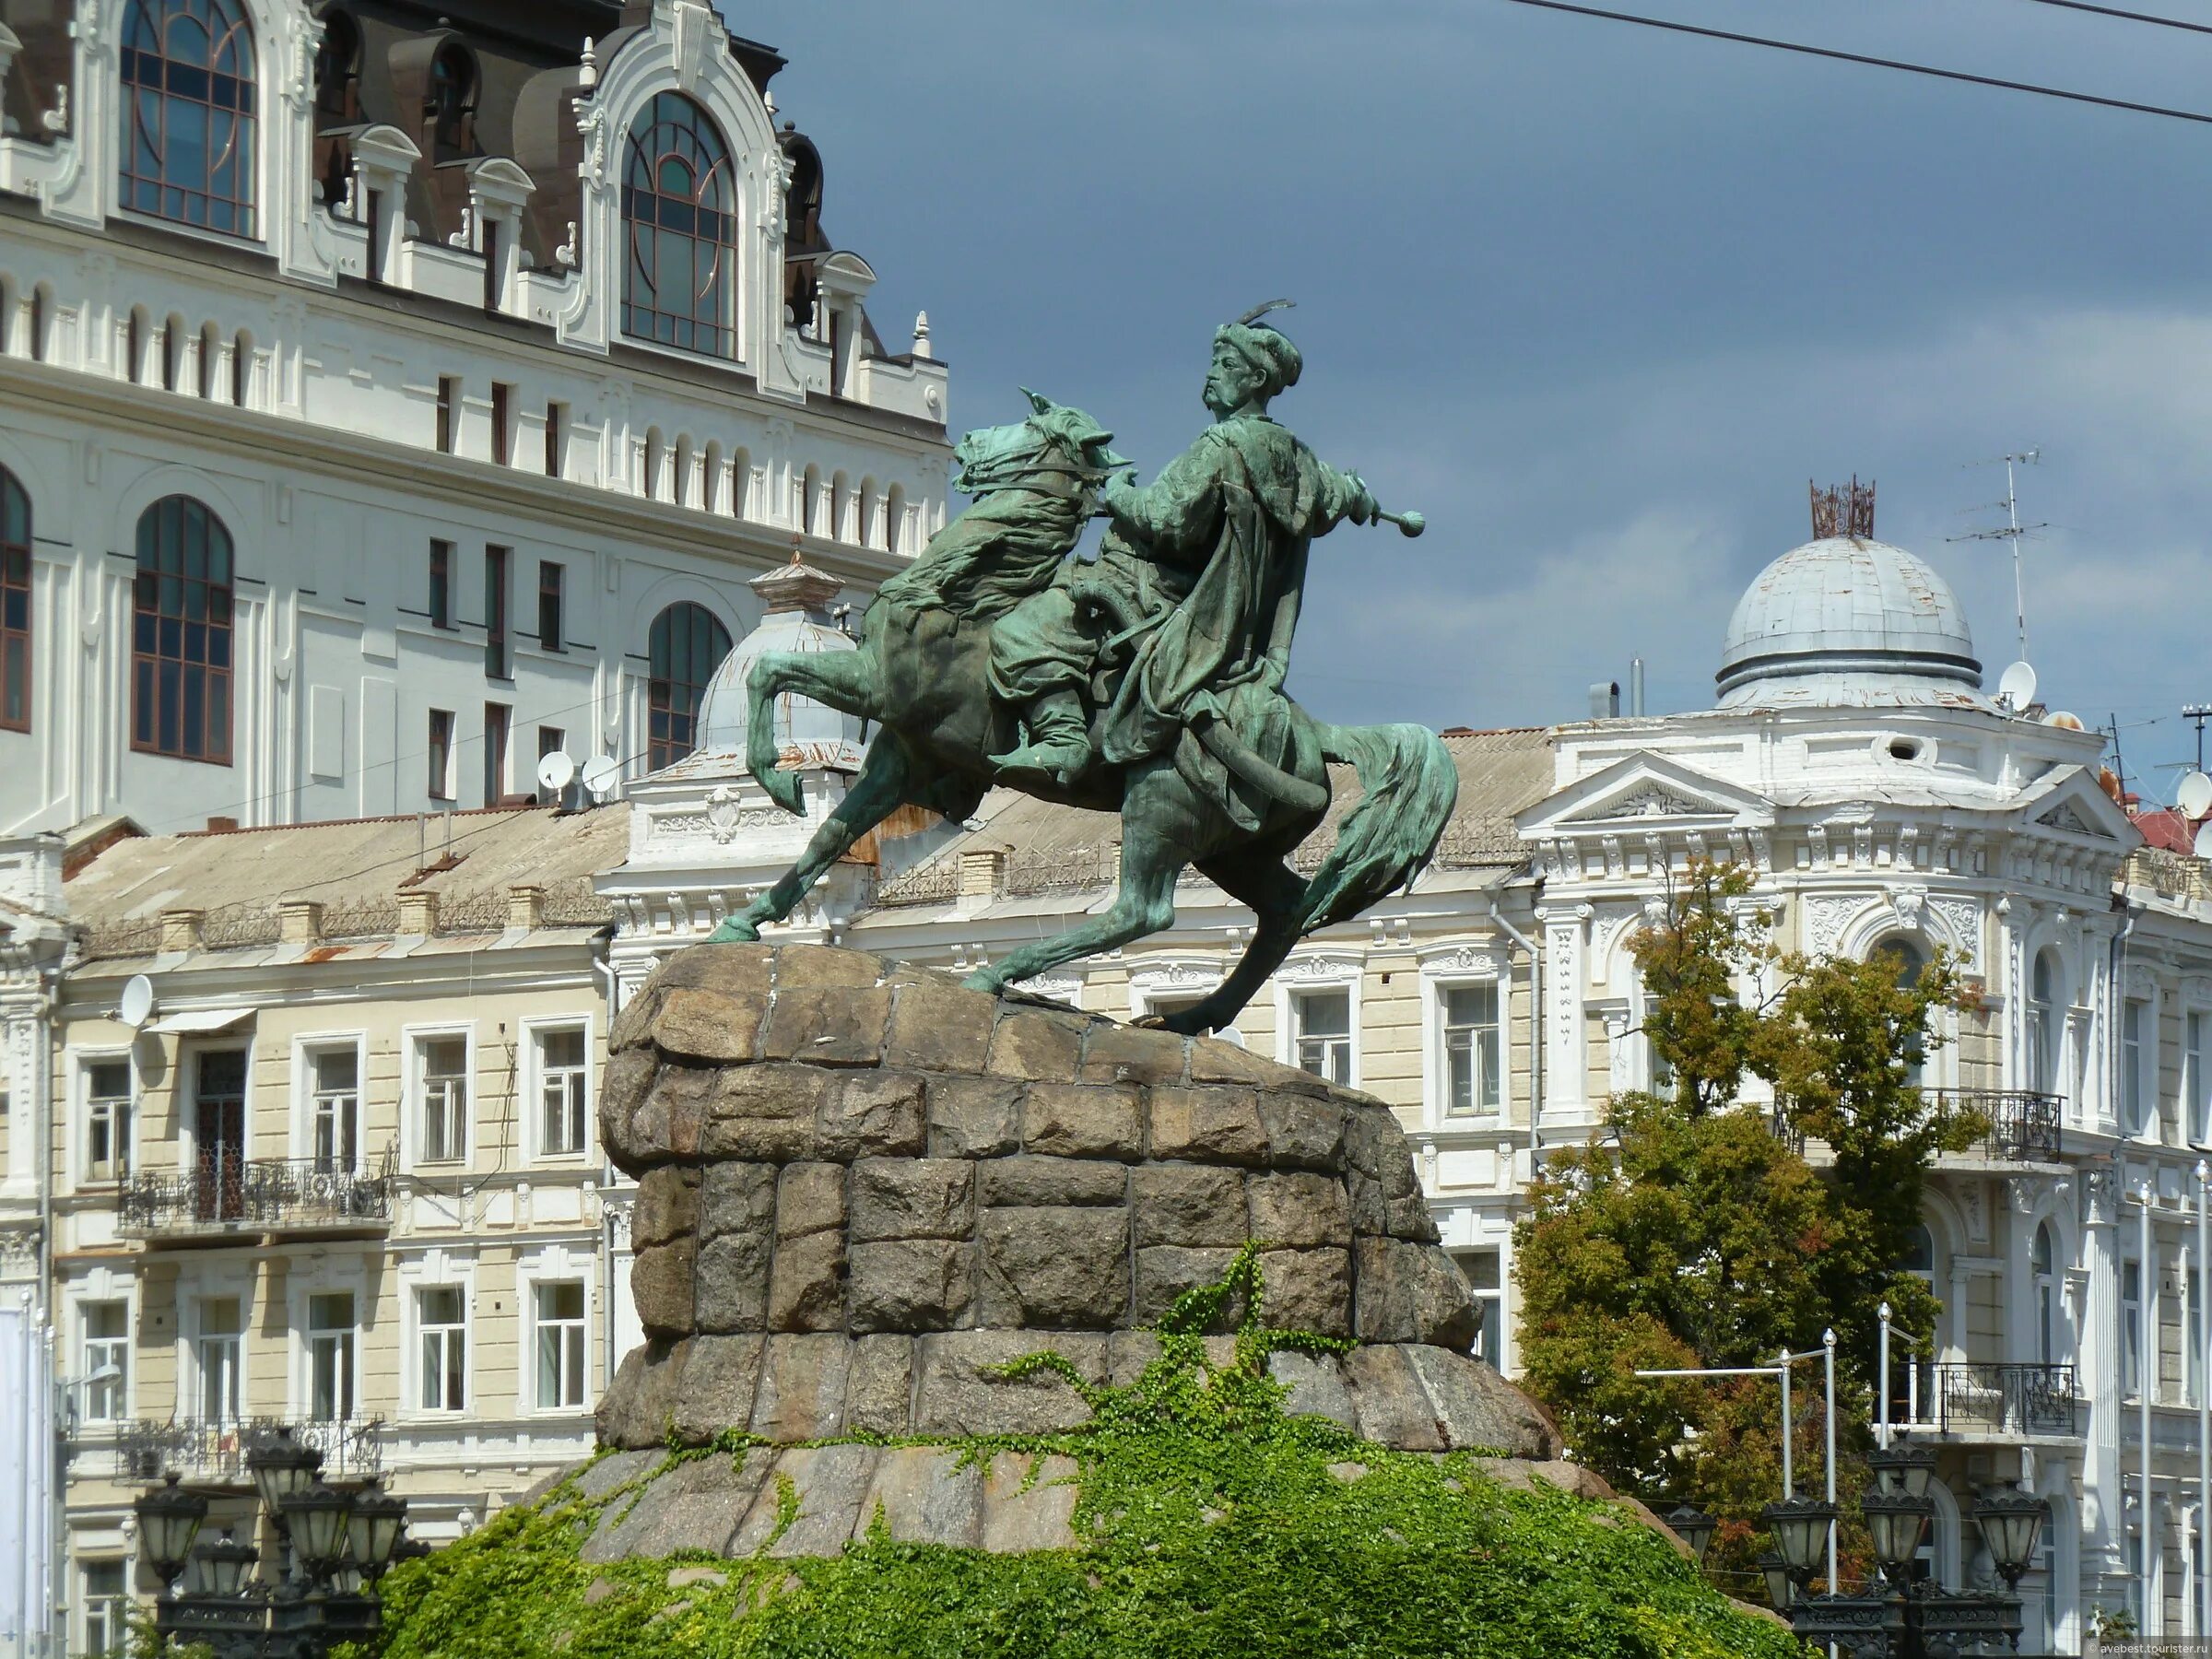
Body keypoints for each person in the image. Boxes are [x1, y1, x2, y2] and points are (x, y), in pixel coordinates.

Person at [987, 309, 1377, 805]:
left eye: (1225, 363)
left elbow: (1164, 519)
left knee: (1020, 630)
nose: (1211, 373)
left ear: (1256, 378)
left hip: (1164, 596)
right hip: (1232, 626)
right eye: (1212, 362)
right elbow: (1339, 496)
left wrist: (1119, 489)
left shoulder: (1218, 448)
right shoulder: (1299, 460)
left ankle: (1062, 741)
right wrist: (1361, 498)